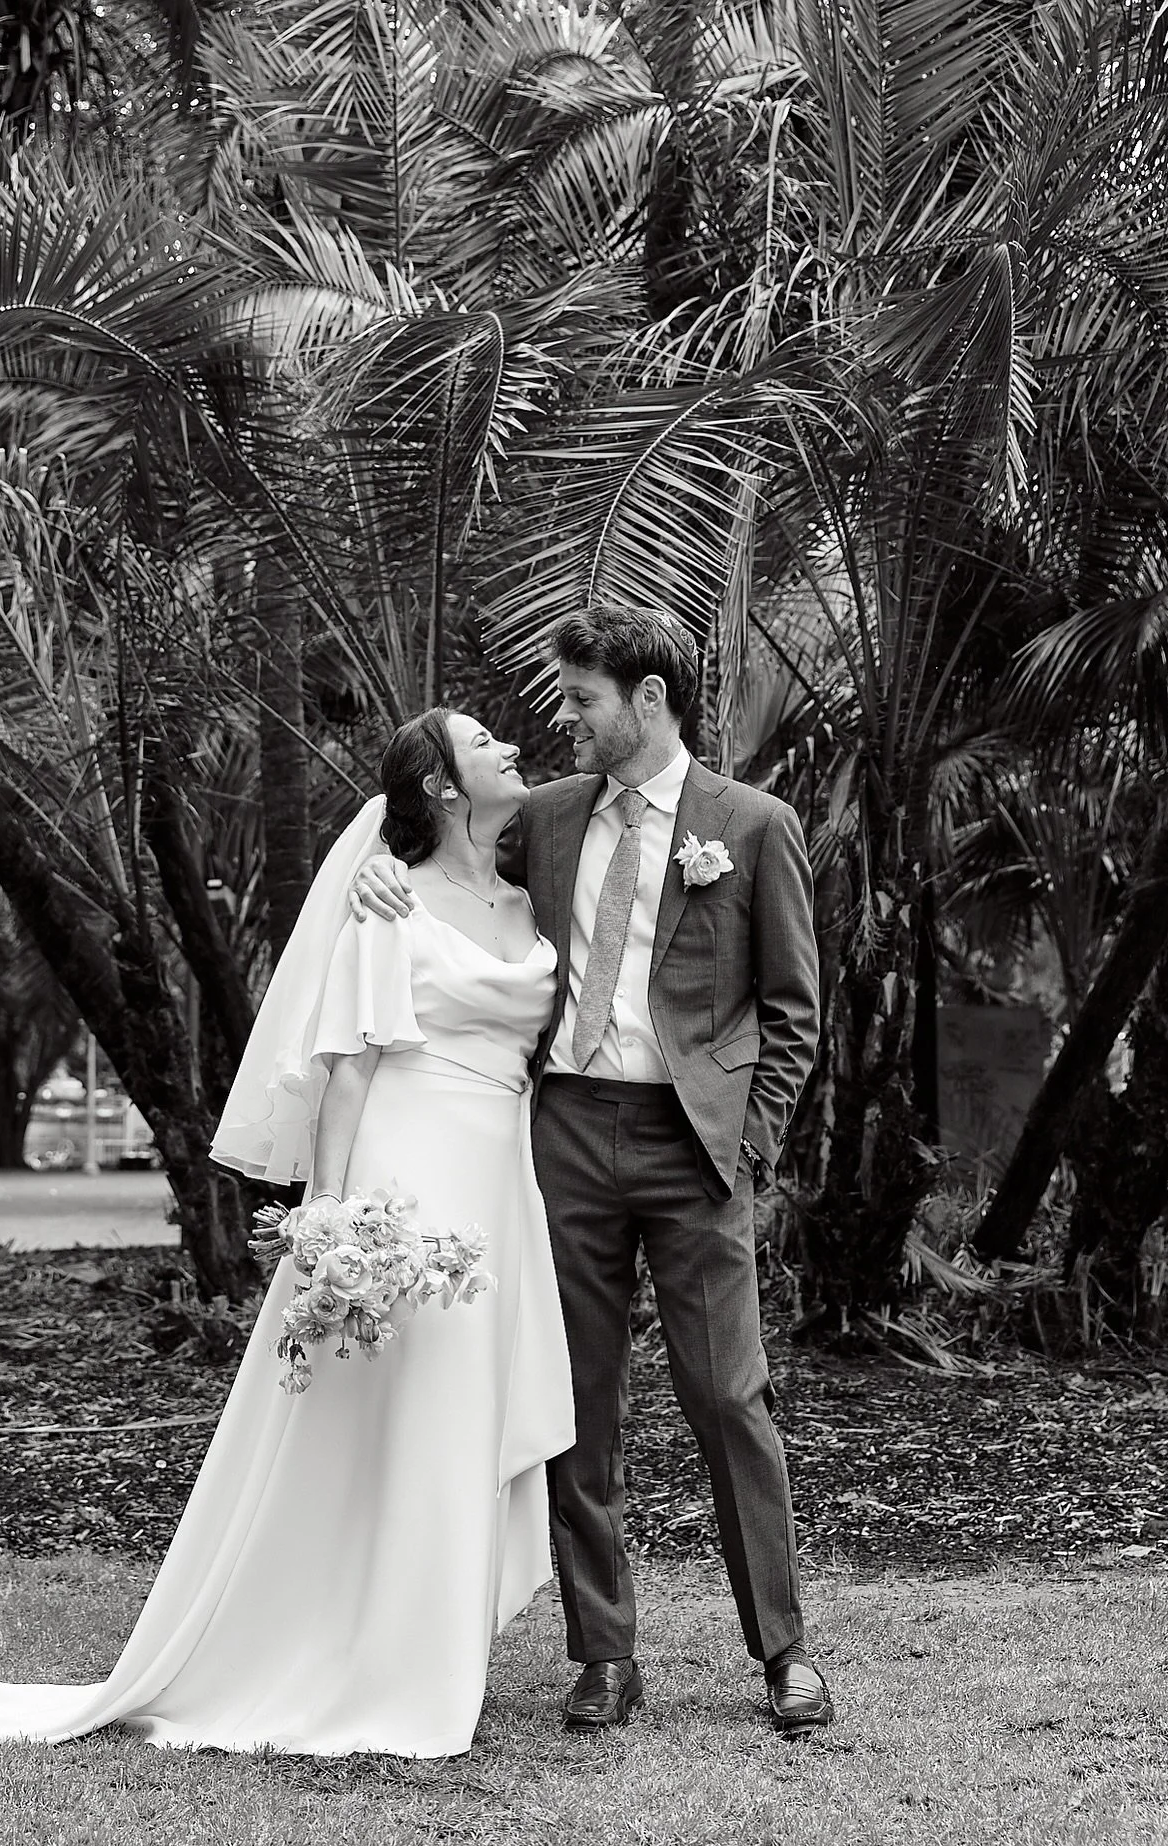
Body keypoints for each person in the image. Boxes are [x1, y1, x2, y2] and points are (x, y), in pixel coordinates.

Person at [0, 710, 574, 1758]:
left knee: (465, 1408)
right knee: (401, 1410)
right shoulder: (387, 898)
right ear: (445, 789)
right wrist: (336, 1220)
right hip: (408, 1179)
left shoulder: (531, 886)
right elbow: (353, 1066)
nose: (510, 744)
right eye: (483, 741)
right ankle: (379, 1666)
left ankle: (427, 1646)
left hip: (501, 1176)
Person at [352, 604, 832, 1736]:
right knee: (579, 1405)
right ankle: (602, 1654)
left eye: (582, 700)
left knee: (730, 1398)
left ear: (649, 702)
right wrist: (376, 874)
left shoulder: (752, 825)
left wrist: (747, 1143)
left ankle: (785, 1650)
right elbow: (442, 853)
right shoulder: (551, 819)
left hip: (694, 1146)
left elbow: (795, 1012)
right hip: (560, 1136)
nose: (562, 719)